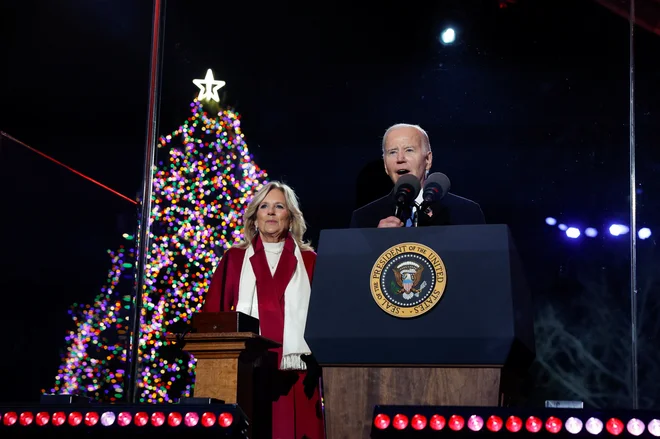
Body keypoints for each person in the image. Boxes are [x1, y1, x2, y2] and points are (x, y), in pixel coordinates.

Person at [203, 181, 324, 439]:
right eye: (264, 206)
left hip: (298, 370)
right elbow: (213, 317)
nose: (271, 212)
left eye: (279, 206)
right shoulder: (235, 258)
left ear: (290, 217)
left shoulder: (311, 261)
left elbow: (324, 317)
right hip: (248, 369)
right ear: (255, 217)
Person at [350, 123, 486, 228]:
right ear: (385, 165)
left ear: (428, 160)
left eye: (409, 150)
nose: (400, 158)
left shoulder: (465, 213)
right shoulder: (364, 219)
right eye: (392, 152)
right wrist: (378, 243)